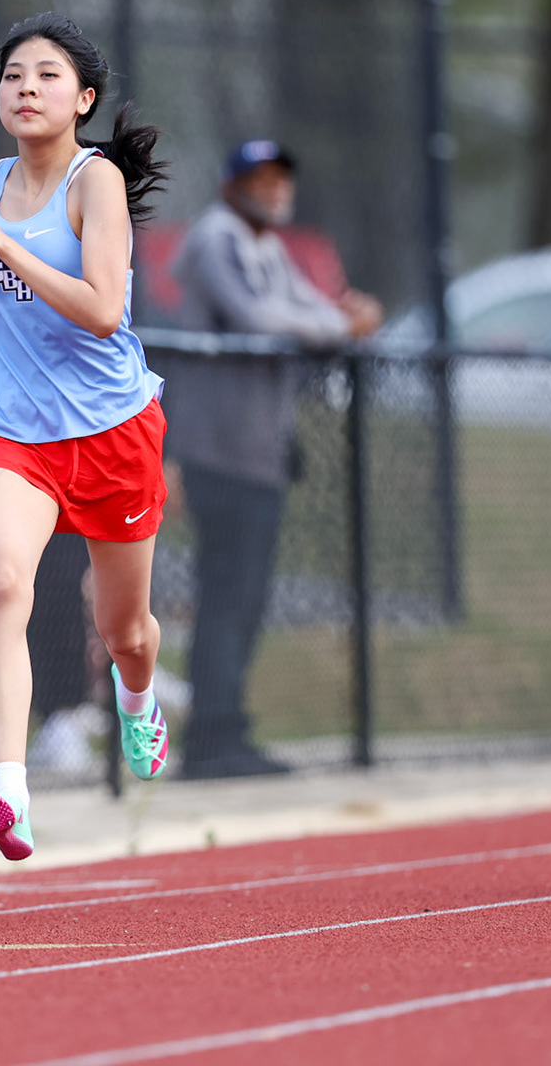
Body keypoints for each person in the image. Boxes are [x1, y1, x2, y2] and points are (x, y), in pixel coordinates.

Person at [0, 11, 171, 860]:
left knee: (124, 629)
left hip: (113, 431)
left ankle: (135, 701)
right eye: (14, 74)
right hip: (14, 432)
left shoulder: (96, 186)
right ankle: (8, 790)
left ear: (82, 98)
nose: (25, 88)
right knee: (5, 582)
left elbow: (101, 311)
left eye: (47, 75)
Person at [168, 140, 383, 778]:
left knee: (248, 596)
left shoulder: (267, 245)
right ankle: (209, 740)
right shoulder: (217, 237)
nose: (274, 189)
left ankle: (228, 728)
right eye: (259, 179)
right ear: (231, 185)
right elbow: (259, 317)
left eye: (281, 178)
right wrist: (343, 326)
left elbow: (314, 309)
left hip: (259, 452)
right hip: (219, 449)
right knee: (227, 594)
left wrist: (348, 316)